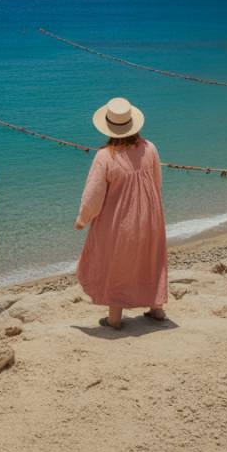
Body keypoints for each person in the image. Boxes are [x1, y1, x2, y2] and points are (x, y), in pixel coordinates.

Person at [74, 97, 168, 330]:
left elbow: (93, 195)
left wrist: (83, 218)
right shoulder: (151, 148)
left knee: (115, 262)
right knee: (151, 258)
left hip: (118, 220)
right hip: (150, 215)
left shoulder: (105, 156)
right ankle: (156, 308)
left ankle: (115, 318)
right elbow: (157, 182)